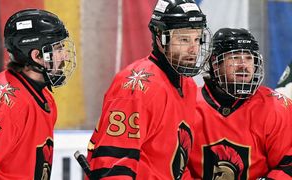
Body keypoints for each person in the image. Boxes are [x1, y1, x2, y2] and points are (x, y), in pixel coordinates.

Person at [85, 0, 212, 179]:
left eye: (197, 39)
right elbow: (113, 163)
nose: (194, 49)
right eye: (184, 39)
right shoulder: (137, 86)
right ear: (160, 36)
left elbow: (173, 163)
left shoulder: (187, 85)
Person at [0, 9, 76, 179]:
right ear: (37, 56)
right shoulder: (0, 102)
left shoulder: (43, 97)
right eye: (58, 48)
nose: (64, 54)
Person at [187, 28, 292, 179]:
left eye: (249, 58)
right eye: (235, 57)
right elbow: (173, 164)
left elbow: (288, 165)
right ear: (215, 63)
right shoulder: (187, 104)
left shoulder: (276, 106)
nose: (244, 65)